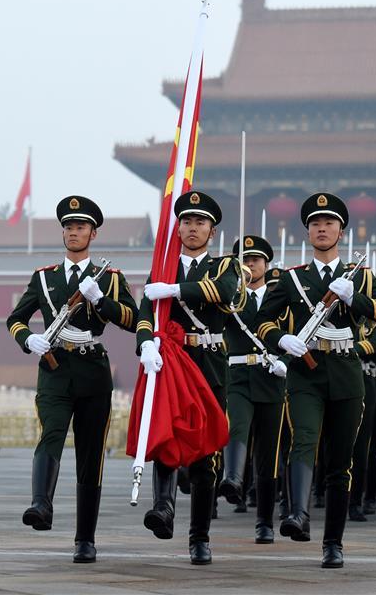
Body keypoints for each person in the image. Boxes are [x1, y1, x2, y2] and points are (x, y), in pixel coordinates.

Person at [254, 192, 376, 568]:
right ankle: (298, 514)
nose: (322, 228)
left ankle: (333, 542)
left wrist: (357, 301)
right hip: (305, 371)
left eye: (329, 223)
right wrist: (279, 338)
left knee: (340, 460)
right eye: (315, 224)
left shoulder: (359, 277)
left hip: (346, 371)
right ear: (307, 232)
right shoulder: (292, 279)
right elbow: (263, 320)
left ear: (341, 231)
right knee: (302, 440)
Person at [7, 195, 138, 563]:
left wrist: (102, 301)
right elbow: (15, 319)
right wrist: (26, 338)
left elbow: (134, 320)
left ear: (93, 234)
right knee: (50, 432)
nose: (73, 232)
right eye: (68, 227)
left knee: (90, 453)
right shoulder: (44, 277)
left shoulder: (109, 279)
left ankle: (85, 539)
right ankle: (41, 505)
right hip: (54, 368)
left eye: (80, 227)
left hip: (93, 368)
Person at [135, 190, 241, 565]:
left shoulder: (225, 266)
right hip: (171, 362)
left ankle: (200, 536)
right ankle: (163, 508)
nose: (192, 228)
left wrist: (177, 289)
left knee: (204, 454)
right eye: (187, 221)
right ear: (177, 227)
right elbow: (145, 311)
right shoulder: (162, 268)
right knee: (166, 436)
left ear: (212, 232)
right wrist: (146, 344)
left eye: (200, 223)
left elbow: (225, 292)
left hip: (208, 363)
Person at [218, 235, 289, 544]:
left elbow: (295, 333)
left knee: (268, 455)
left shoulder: (280, 299)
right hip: (238, 374)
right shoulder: (229, 298)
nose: (250, 265)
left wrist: (283, 358)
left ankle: (264, 522)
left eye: (255, 260)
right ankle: (232, 478)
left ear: (266, 264)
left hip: (272, 379)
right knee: (236, 426)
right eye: (244, 260)